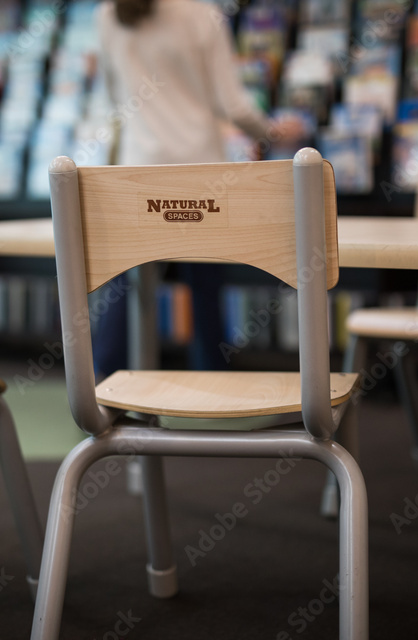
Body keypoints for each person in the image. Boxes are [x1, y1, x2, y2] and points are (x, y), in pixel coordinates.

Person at [92, 0, 302, 377]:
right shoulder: (203, 14)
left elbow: (112, 101)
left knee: (127, 287)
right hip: (200, 174)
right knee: (205, 291)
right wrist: (271, 132)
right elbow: (233, 106)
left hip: (138, 174)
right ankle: (211, 385)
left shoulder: (107, 15)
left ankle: (105, 389)